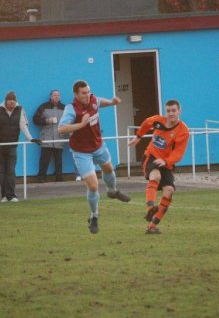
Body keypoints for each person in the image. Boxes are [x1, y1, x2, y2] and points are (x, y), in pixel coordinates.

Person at [58, 80, 130, 234]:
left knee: (109, 168)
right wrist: (80, 125)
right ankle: (94, 216)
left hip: (98, 146)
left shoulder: (93, 100)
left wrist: (111, 102)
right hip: (81, 151)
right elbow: (61, 129)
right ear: (76, 94)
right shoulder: (71, 109)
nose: (87, 95)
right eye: (84, 93)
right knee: (93, 186)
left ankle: (112, 191)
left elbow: (100, 102)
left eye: (88, 91)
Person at [128, 100, 189, 234]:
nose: (171, 113)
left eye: (174, 110)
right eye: (168, 111)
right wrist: (138, 137)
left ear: (180, 111)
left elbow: (179, 152)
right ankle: (150, 208)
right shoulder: (158, 120)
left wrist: (167, 161)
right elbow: (146, 123)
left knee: (169, 191)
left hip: (166, 162)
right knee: (155, 176)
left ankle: (152, 226)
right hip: (151, 156)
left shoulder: (183, 131)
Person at [0, 91, 41, 203]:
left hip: (12, 145)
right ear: (6, 101)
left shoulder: (20, 110)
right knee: (2, 171)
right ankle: (4, 196)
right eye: (10, 101)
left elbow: (23, 125)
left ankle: (11, 195)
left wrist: (30, 138)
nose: (12, 103)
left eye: (14, 101)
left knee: (11, 171)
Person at [33, 90, 66, 182]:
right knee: (44, 160)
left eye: (58, 95)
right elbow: (35, 119)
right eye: (55, 95)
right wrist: (47, 121)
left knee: (59, 161)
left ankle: (59, 178)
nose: (57, 96)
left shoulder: (64, 108)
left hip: (59, 138)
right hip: (46, 138)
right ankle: (41, 178)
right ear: (50, 96)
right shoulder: (43, 107)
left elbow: (69, 120)